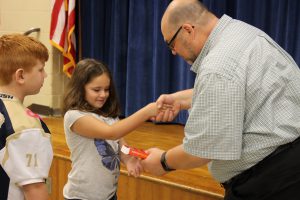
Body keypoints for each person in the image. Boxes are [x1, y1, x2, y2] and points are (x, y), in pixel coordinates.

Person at [141, 0, 300, 199]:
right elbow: (244, 89)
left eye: (171, 43)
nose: (173, 52)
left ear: (188, 30)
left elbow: (203, 149)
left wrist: (163, 161)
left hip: (269, 182)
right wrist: (180, 100)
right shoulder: (243, 33)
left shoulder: (217, 65)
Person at [62, 58, 160, 200]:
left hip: (109, 195)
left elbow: (121, 147)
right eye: (96, 90)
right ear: (80, 88)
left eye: (106, 89)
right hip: (81, 197)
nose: (103, 95)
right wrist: (147, 112)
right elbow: (111, 133)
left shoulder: (110, 118)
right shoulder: (74, 116)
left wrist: (128, 160)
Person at [0, 34, 53, 200]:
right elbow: (34, 189)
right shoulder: (25, 124)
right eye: (41, 69)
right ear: (20, 75)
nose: (45, 75)